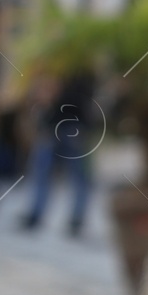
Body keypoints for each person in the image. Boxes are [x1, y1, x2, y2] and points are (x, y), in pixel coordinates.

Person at [20, 70, 96, 236]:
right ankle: (36, 214)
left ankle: (76, 219)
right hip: (50, 127)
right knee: (41, 173)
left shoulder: (80, 71)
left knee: (79, 177)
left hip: (74, 128)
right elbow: (40, 96)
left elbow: (88, 98)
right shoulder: (51, 64)